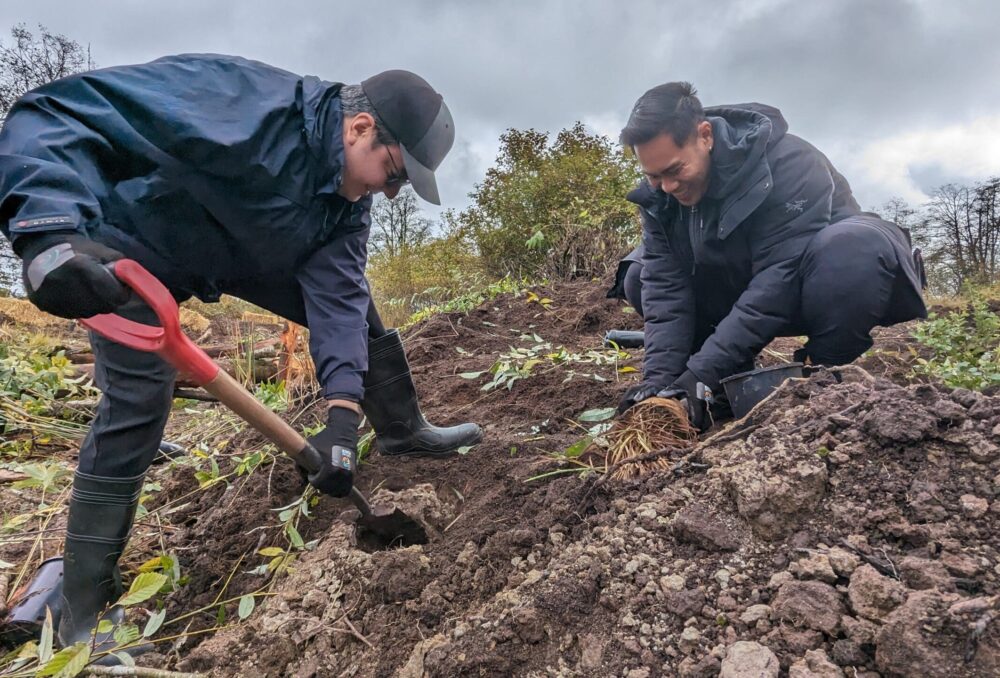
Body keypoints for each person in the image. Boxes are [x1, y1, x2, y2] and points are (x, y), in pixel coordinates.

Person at [0, 53, 481, 648]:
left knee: (357, 310)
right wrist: (48, 233)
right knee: (136, 407)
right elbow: (54, 111)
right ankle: (83, 613)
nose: (390, 191)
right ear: (360, 129)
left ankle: (400, 430)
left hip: (239, 251)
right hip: (132, 245)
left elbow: (337, 298)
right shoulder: (238, 104)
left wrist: (339, 420)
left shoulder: (347, 205)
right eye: (395, 173)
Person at [611, 82, 926, 429]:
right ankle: (724, 381)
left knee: (855, 250)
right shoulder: (659, 198)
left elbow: (778, 280)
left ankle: (818, 377)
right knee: (640, 274)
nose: (668, 187)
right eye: (654, 176)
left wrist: (701, 372)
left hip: (814, 286)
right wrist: (661, 385)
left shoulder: (792, 164)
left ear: (705, 136)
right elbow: (666, 291)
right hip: (742, 285)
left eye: (674, 170)